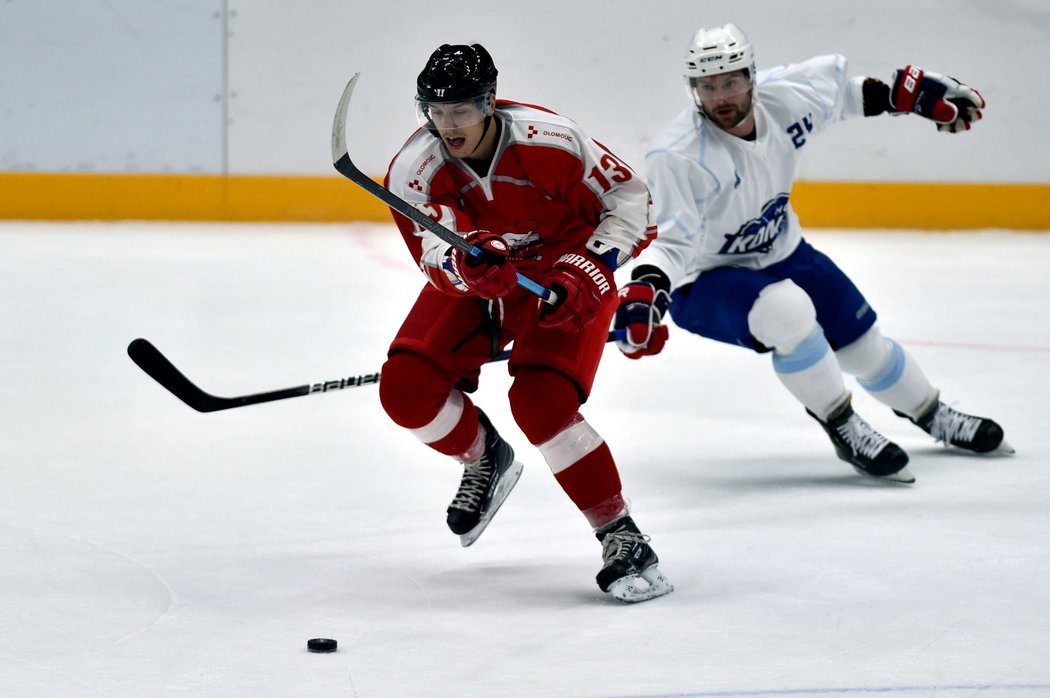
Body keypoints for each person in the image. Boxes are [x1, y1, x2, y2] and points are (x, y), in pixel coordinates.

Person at [615, 24, 1011, 484]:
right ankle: (841, 422)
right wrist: (646, 289)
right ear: (694, 89)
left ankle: (932, 413)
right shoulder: (678, 153)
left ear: (752, 77)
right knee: (788, 310)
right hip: (706, 281)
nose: (721, 96)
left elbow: (843, 95)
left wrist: (904, 97)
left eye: (731, 81)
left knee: (867, 349)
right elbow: (671, 241)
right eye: (708, 85)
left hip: (786, 252)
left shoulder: (785, 99)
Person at [377, 43, 671, 602]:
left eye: (461, 109)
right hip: (485, 274)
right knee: (405, 390)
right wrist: (463, 265)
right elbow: (433, 254)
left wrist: (594, 265)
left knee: (541, 402)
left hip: (567, 273)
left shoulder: (552, 141)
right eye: (436, 112)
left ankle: (622, 535)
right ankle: (484, 456)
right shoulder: (414, 169)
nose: (448, 125)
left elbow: (632, 202)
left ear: (489, 102)